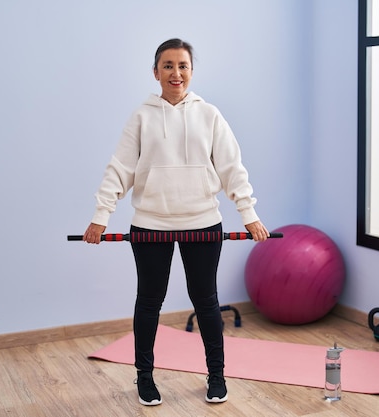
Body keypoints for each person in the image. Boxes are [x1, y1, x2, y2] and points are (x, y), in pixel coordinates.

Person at [82, 38, 269, 406]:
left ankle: (216, 376)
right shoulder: (141, 117)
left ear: (191, 72)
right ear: (155, 72)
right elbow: (119, 170)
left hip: (203, 222)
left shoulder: (210, 114)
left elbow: (232, 168)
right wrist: (101, 217)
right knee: (149, 302)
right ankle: (144, 379)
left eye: (182, 66)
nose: (176, 73)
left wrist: (249, 215)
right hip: (150, 224)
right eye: (167, 66)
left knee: (206, 302)